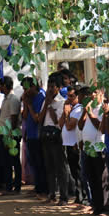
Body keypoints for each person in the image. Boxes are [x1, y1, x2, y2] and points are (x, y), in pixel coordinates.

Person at [39, 74, 68, 204]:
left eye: (53, 87)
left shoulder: (62, 102)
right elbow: (40, 119)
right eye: (48, 87)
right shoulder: (45, 101)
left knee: (60, 167)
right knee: (49, 167)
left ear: (58, 88)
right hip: (46, 134)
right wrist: (46, 104)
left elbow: (58, 121)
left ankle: (64, 196)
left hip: (56, 135)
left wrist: (51, 106)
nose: (50, 89)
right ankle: (51, 194)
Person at [79, 87, 106, 216]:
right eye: (92, 93)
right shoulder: (89, 107)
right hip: (87, 148)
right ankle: (96, 205)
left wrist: (89, 112)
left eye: (96, 93)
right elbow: (80, 125)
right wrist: (85, 112)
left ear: (102, 94)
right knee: (90, 178)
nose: (93, 95)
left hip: (98, 148)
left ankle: (103, 206)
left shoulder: (103, 108)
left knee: (99, 178)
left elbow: (100, 127)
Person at [21, 77, 48, 197]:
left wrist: (30, 106)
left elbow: (37, 118)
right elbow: (25, 116)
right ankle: (38, 187)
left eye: (26, 88)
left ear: (33, 87)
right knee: (34, 163)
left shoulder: (41, 96)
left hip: (38, 135)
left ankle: (43, 189)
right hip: (31, 135)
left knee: (40, 163)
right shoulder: (30, 99)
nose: (24, 91)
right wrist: (26, 104)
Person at [59, 85, 84, 205]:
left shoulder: (78, 109)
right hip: (67, 144)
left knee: (78, 172)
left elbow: (70, 126)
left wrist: (68, 114)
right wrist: (65, 113)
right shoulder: (70, 109)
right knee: (73, 172)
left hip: (74, 144)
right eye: (68, 96)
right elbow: (61, 124)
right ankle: (78, 196)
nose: (69, 98)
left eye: (72, 96)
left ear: (77, 97)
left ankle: (81, 197)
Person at [0, 76, 22, 194]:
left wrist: (9, 136)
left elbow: (14, 119)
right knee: (6, 162)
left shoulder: (13, 99)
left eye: (1, 85)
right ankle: (8, 186)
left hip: (10, 135)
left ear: (6, 86)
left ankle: (16, 186)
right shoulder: (5, 99)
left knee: (14, 162)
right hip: (5, 134)